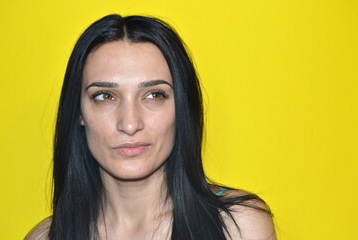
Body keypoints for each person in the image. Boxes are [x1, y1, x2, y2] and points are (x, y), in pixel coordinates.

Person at [25, 14, 276, 240]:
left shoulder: (239, 227)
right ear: (79, 111)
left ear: (181, 107)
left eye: (154, 95)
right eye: (105, 96)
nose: (130, 124)